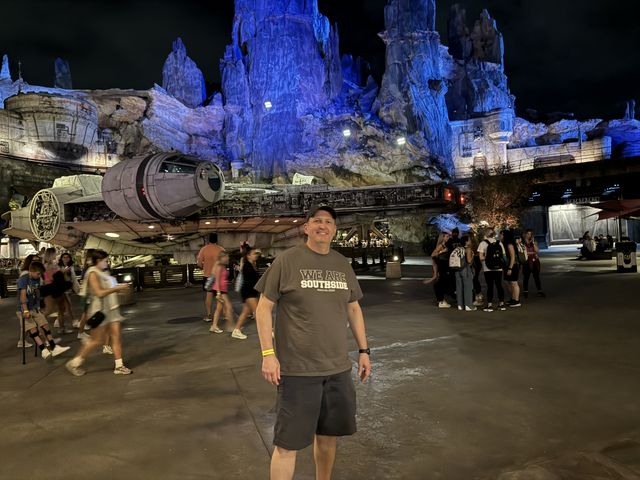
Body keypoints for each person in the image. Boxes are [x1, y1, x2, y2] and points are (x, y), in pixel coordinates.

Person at [255, 205, 371, 480]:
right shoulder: (287, 261)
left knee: (328, 437)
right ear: (306, 228)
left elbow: (354, 308)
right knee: (287, 445)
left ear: (334, 230)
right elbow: (263, 308)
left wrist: (364, 350)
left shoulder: (341, 263)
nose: (323, 225)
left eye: (329, 222)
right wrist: (268, 354)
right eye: (317, 220)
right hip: (298, 371)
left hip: (337, 369)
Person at [65, 250, 132, 376]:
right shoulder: (92, 273)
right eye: (105, 261)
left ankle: (119, 366)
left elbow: (109, 288)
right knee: (96, 340)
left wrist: (119, 287)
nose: (107, 263)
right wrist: (117, 288)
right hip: (99, 311)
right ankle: (74, 363)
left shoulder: (104, 272)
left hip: (112, 309)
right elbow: (99, 292)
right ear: (98, 261)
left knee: (116, 337)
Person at [17, 261, 70, 359]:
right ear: (32, 271)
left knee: (45, 325)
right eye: (38, 274)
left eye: (40, 274)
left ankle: (53, 347)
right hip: (23, 309)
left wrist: (38, 305)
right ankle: (43, 350)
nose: (39, 276)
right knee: (33, 329)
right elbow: (23, 296)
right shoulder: (23, 279)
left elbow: (36, 292)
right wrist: (25, 310)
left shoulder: (36, 279)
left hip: (34, 307)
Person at [232, 246, 262, 340]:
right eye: (254, 254)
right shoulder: (247, 266)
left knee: (245, 312)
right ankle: (265, 331)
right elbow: (251, 280)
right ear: (248, 255)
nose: (256, 255)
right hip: (249, 292)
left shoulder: (252, 264)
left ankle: (236, 330)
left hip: (251, 292)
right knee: (258, 312)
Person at [477, 227, 506, 312]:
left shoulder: (483, 243)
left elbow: (481, 258)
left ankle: (489, 305)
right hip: (498, 268)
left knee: (490, 286)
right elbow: (503, 255)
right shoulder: (499, 243)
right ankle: (501, 304)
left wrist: (487, 257)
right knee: (499, 285)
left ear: (486, 234)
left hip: (488, 268)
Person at [197, 233, 224, 322]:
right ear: (217, 240)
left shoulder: (203, 249)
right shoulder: (221, 249)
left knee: (209, 295)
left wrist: (204, 267)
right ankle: (225, 314)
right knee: (221, 295)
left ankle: (209, 315)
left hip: (208, 276)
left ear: (209, 240)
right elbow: (225, 262)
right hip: (219, 276)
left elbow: (199, 263)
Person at [15, 254, 40, 348]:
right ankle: (45, 345)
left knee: (27, 324)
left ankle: (22, 341)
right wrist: (25, 308)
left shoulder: (33, 273)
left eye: (37, 260)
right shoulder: (26, 274)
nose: (36, 262)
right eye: (34, 261)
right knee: (30, 324)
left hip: (31, 303)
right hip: (26, 304)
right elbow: (23, 293)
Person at [209, 252, 235, 334]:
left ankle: (214, 326)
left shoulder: (223, 266)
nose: (228, 258)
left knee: (219, 308)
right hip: (219, 290)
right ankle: (231, 326)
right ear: (222, 258)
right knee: (228, 307)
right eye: (226, 257)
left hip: (222, 289)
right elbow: (217, 281)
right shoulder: (219, 267)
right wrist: (218, 293)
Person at [429, 232, 453, 308]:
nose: (448, 237)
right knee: (442, 282)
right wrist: (442, 251)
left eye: (448, 236)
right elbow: (433, 255)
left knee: (442, 282)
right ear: (443, 237)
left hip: (444, 265)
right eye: (447, 236)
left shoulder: (445, 245)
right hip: (442, 265)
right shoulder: (441, 245)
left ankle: (441, 300)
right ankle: (441, 300)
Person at [58, 252, 80, 328]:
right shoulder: (59, 267)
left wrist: (76, 288)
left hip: (68, 288)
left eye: (67, 257)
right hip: (62, 289)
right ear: (61, 259)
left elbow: (73, 278)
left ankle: (59, 323)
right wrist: (63, 272)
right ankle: (73, 321)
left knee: (64, 307)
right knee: (68, 306)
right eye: (64, 257)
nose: (66, 259)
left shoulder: (71, 266)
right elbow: (56, 276)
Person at [454, 235, 476, 311]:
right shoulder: (468, 249)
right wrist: (472, 256)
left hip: (457, 270)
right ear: (466, 242)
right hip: (465, 270)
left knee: (459, 287)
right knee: (468, 287)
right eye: (469, 240)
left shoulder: (458, 249)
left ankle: (460, 305)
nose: (470, 241)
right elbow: (469, 261)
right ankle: (468, 305)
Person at [500, 230, 521, 307]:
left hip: (513, 265)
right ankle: (513, 298)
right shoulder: (505, 244)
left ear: (505, 235)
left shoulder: (509, 244)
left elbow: (513, 257)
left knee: (514, 283)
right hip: (507, 266)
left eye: (501, 235)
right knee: (508, 282)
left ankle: (516, 300)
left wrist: (510, 268)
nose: (500, 236)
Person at [522, 229, 544, 298]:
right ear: (525, 234)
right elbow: (524, 253)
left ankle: (539, 291)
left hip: (534, 261)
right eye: (528, 234)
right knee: (526, 277)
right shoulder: (522, 243)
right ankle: (525, 291)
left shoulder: (534, 242)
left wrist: (533, 243)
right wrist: (533, 253)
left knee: (536, 276)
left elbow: (537, 250)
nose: (529, 235)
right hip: (526, 261)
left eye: (530, 234)